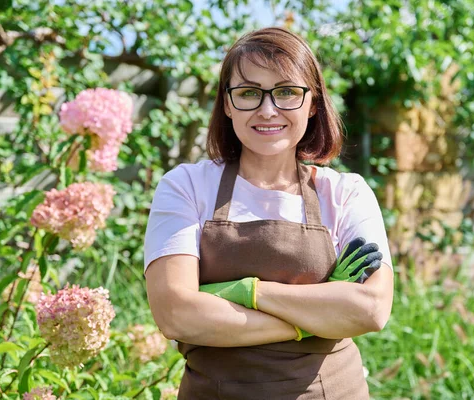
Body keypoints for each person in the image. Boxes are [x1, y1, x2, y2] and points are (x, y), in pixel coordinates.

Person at [144, 27, 394, 400]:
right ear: (227, 104)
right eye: (248, 93)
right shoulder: (186, 187)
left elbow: (371, 310)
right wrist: (315, 317)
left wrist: (245, 292)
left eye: (287, 92)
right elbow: (176, 314)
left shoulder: (345, 192)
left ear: (313, 103)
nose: (267, 109)